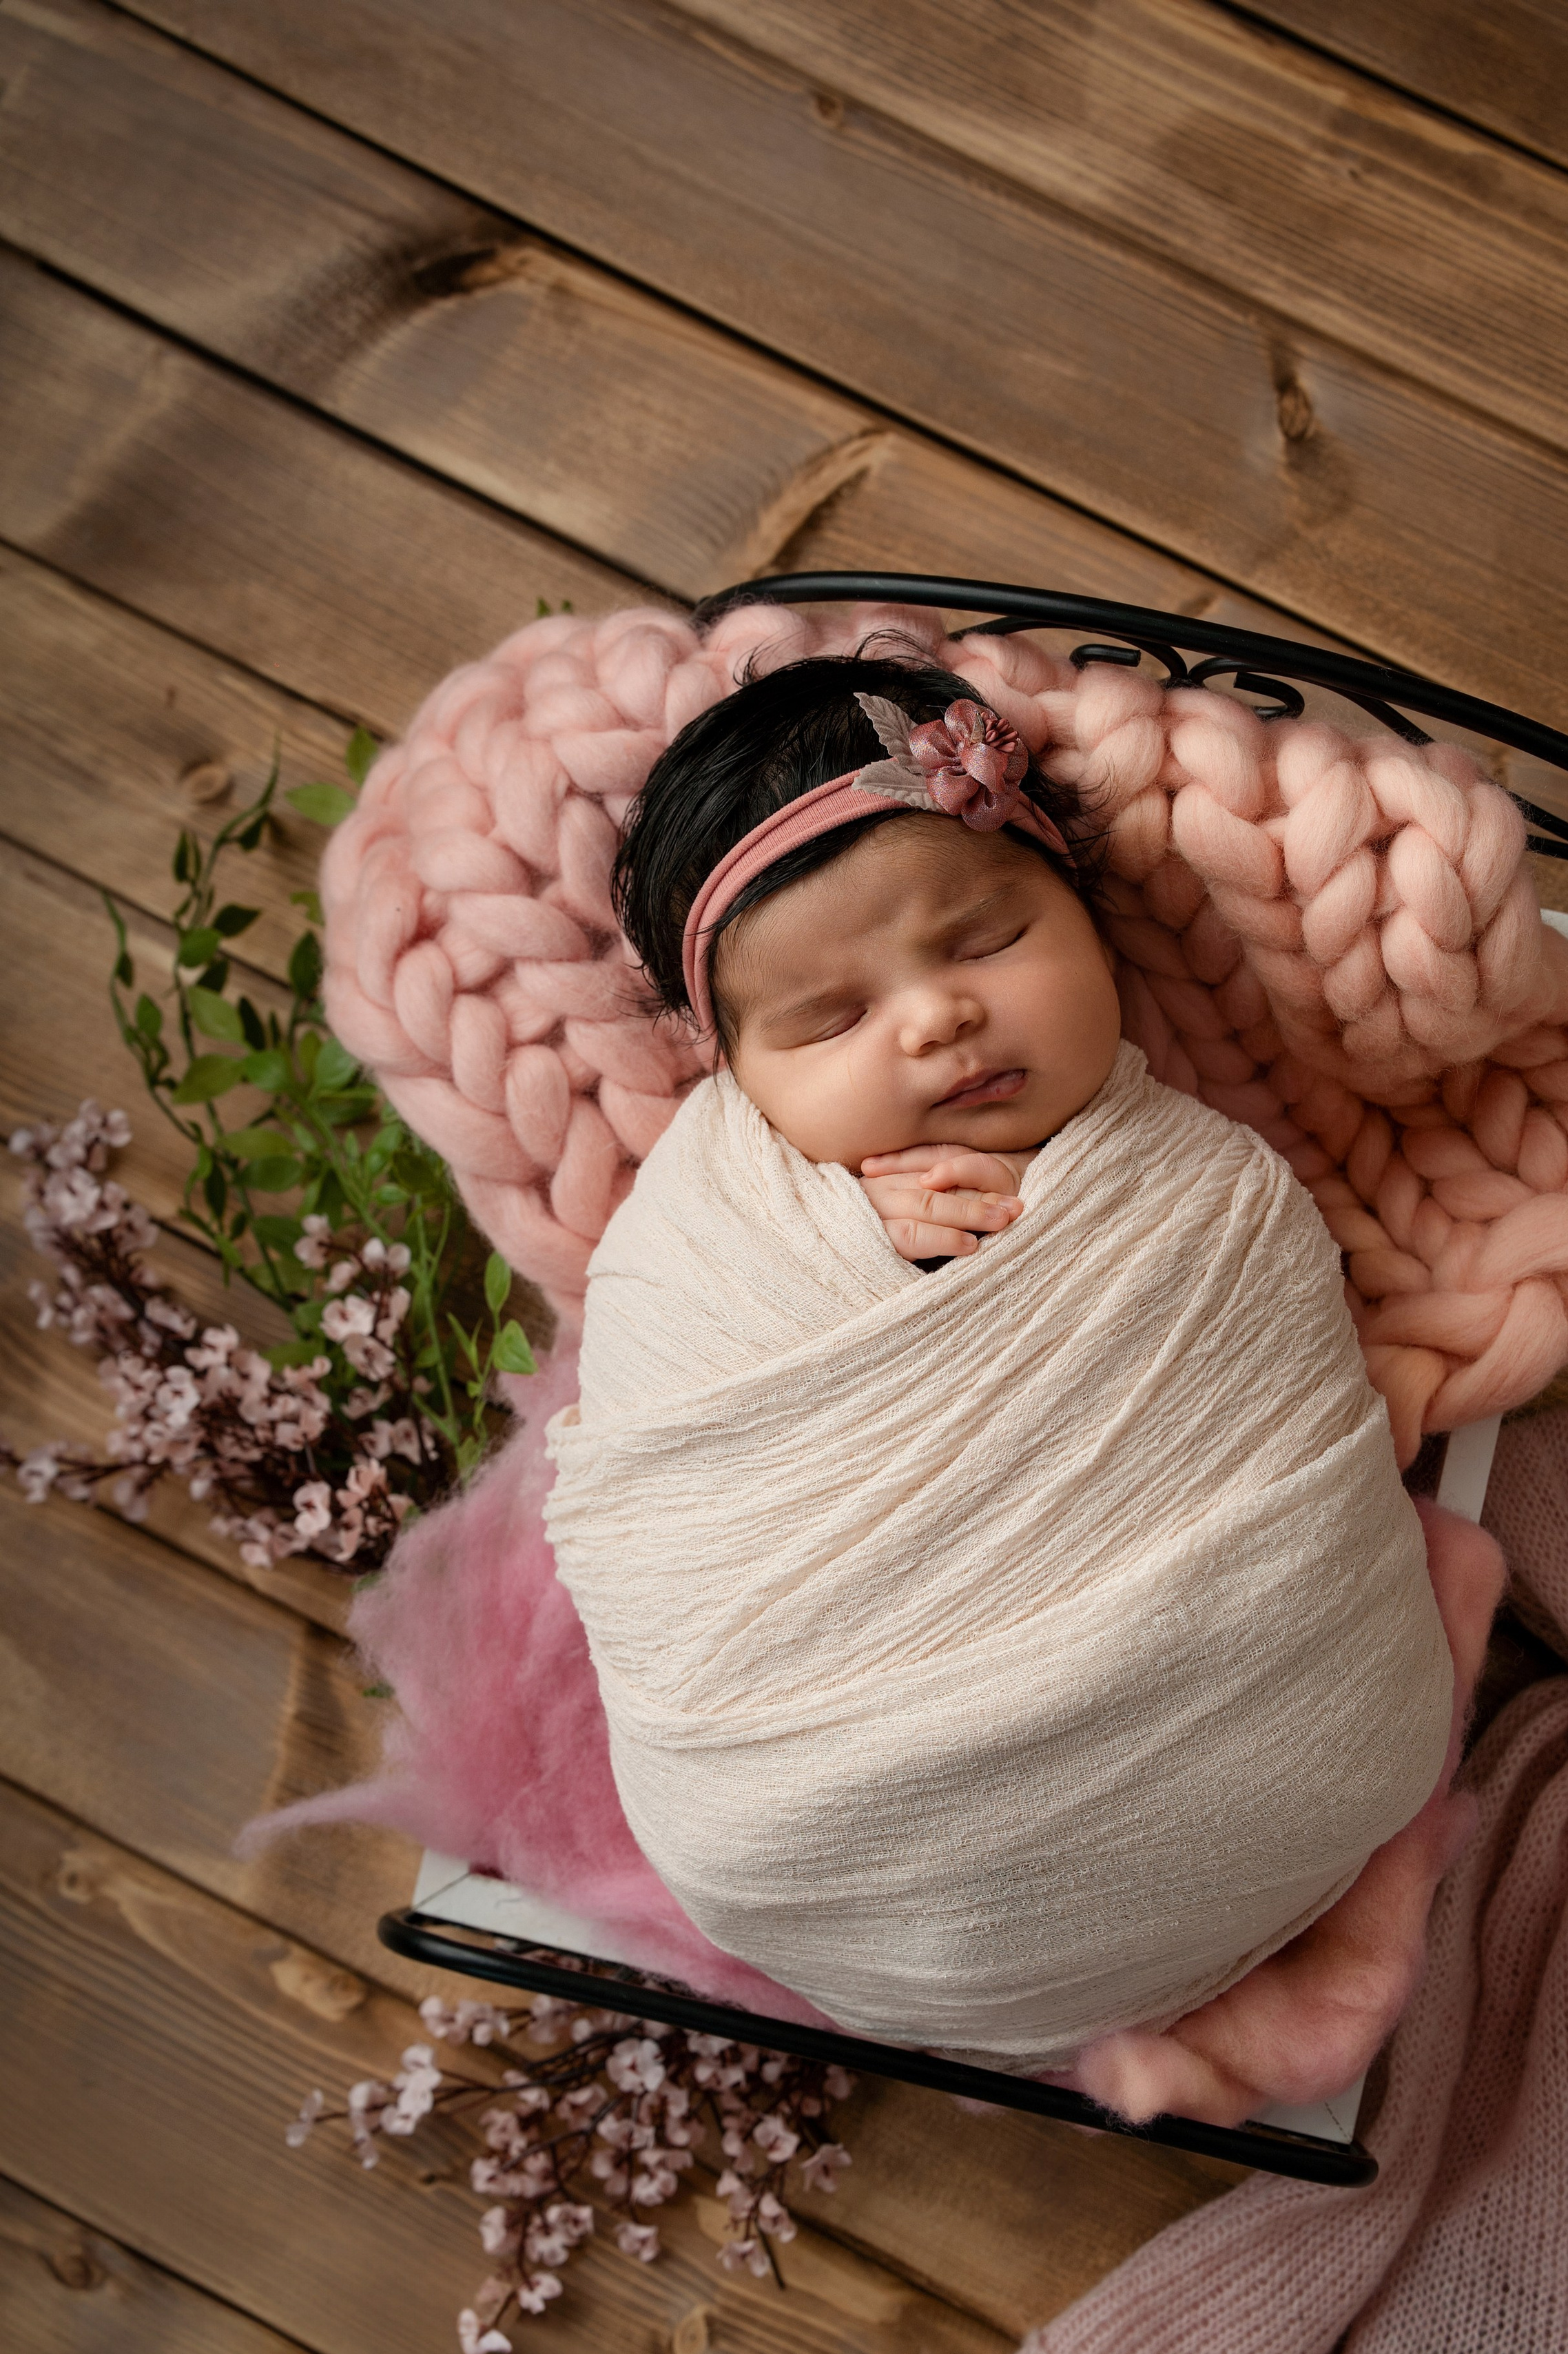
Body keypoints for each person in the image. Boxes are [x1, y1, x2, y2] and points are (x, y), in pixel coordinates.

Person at [544, 648, 1494, 2126]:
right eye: (829, 1019)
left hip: (1253, 1751)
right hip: (807, 1830)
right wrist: (853, 1246)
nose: (932, 1023)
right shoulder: (710, 1228)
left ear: (1082, 918)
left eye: (984, 940)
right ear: (734, 1076)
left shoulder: (1209, 1202)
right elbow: (673, 1444)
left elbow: (1268, 1427)